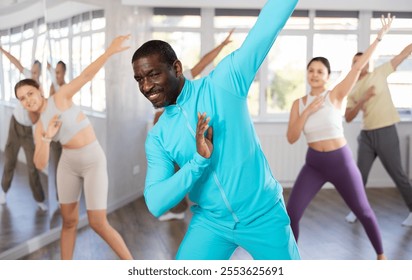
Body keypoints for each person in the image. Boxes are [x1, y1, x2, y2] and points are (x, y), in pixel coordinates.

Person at [132, 0, 300, 260]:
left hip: (264, 215)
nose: (146, 87)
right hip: (212, 223)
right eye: (140, 79)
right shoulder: (158, 136)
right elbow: (155, 202)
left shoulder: (224, 82)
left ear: (176, 68)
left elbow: (268, 26)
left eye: (152, 75)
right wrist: (198, 162)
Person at [14, 35, 133, 260]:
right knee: (69, 222)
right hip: (68, 164)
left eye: (29, 93)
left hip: (92, 159)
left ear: (39, 90)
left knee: (98, 222)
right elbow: (40, 164)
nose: (27, 99)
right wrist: (48, 138)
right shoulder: (38, 127)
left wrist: (108, 52)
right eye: (22, 98)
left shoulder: (60, 97)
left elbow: (86, 76)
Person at [285, 16, 393, 260]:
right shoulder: (298, 104)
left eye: (319, 71)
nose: (314, 74)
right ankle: (291, 262)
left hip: (340, 163)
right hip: (314, 164)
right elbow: (292, 137)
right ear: (307, 74)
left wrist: (379, 38)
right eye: (311, 70)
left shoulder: (336, 95)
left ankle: (381, 256)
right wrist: (307, 112)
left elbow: (357, 68)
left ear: (327, 76)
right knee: (291, 213)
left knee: (363, 210)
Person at [155, 29, 234, 222]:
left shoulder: (185, 77)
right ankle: (179, 208)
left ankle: (218, 207)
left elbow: (204, 62)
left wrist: (222, 45)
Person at [344, 41, 412, 227]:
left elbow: (402, 55)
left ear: (368, 63)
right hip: (366, 135)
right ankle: (356, 210)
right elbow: (348, 117)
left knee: (398, 175)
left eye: (364, 61)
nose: (361, 64)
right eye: (357, 62)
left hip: (385, 131)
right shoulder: (351, 89)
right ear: (353, 66)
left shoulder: (379, 73)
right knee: (359, 176)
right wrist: (362, 100)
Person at [0, 46, 47, 211]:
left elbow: (41, 116)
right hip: (15, 125)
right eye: (32, 71)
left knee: (32, 167)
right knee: (10, 161)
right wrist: (2, 50)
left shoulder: (40, 92)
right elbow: (15, 62)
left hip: (28, 132)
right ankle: (4, 190)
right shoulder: (27, 77)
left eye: (36, 73)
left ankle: (40, 199)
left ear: (39, 74)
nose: (33, 74)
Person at [48, 61, 67, 201]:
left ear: (64, 73)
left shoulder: (66, 88)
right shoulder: (53, 88)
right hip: (55, 137)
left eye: (58, 72)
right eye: (55, 72)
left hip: (67, 136)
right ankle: (60, 198)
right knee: (57, 168)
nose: (57, 75)